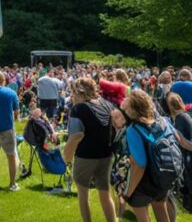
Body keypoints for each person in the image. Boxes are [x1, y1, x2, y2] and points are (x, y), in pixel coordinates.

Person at [62, 77, 116, 222]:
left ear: (77, 91)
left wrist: (66, 154)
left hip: (85, 157)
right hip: (106, 155)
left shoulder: (79, 109)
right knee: (105, 194)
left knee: (83, 195)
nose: (71, 95)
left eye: (73, 92)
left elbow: (76, 135)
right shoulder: (108, 105)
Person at [120, 89, 177, 222]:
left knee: (141, 212)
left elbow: (140, 164)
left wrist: (128, 193)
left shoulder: (133, 130)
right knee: (160, 209)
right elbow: (178, 139)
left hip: (147, 182)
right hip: (164, 177)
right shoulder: (163, 121)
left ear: (131, 110)